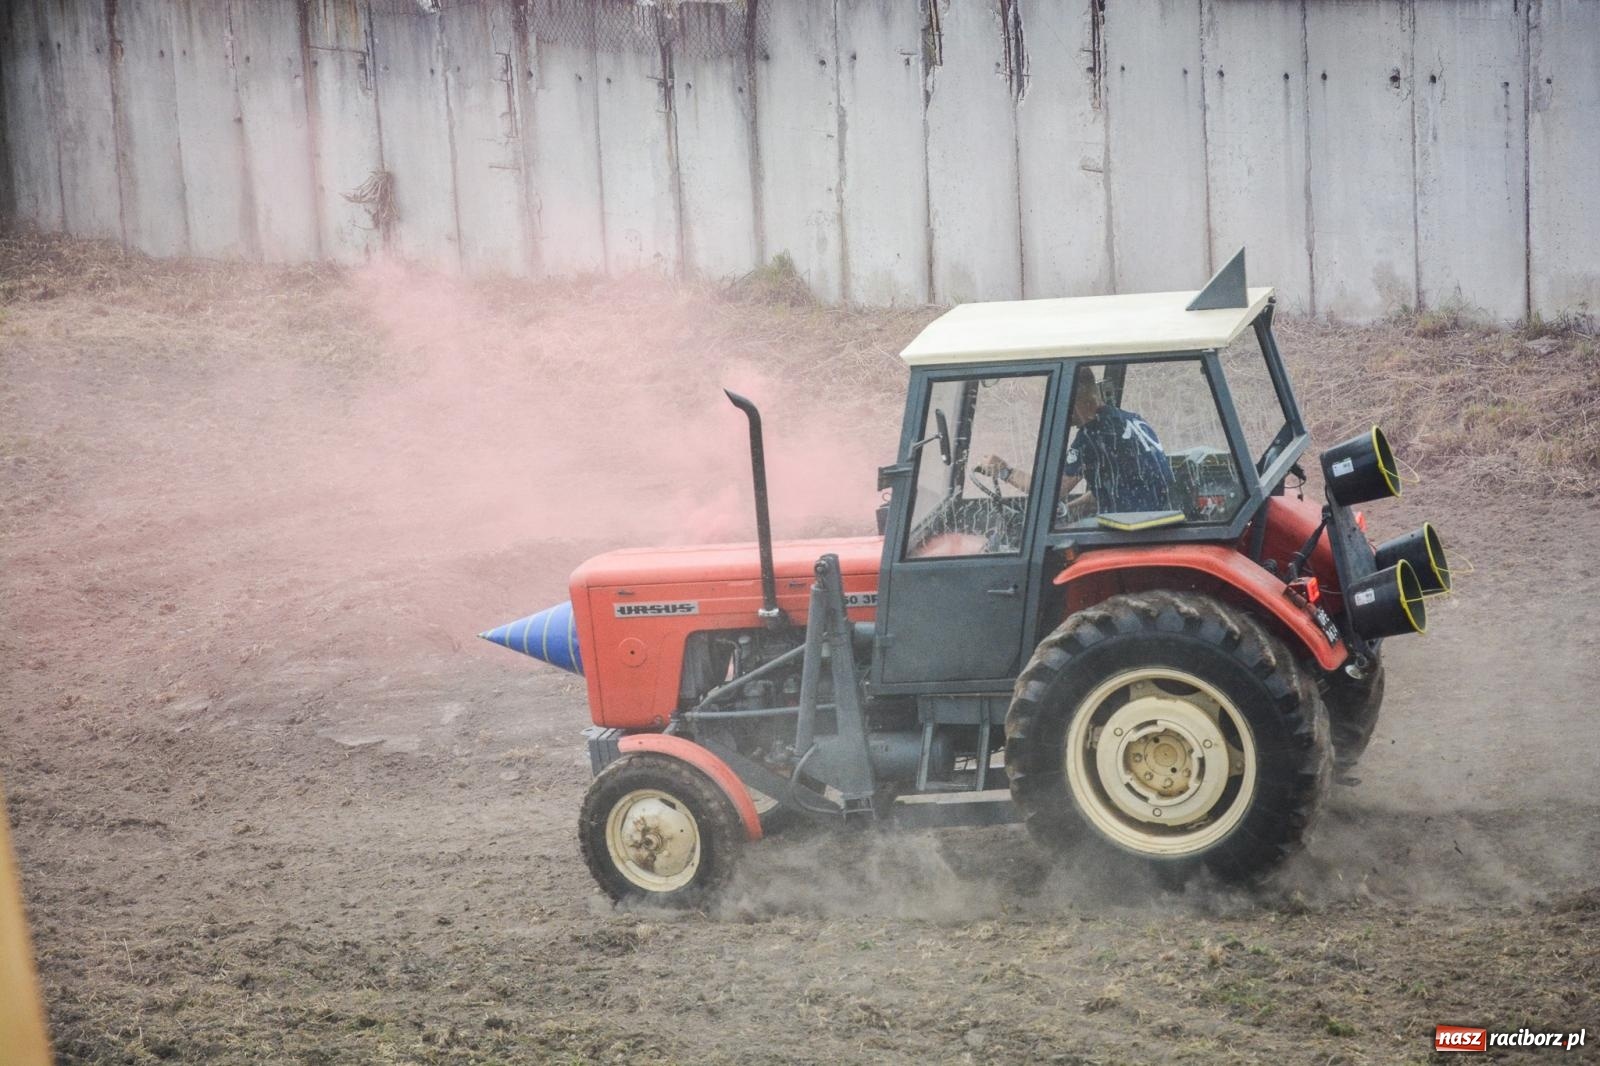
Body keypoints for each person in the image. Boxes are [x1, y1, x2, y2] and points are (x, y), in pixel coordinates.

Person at [979, 365, 1175, 519]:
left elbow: (1054, 491)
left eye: (1052, 401)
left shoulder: (1094, 435)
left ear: (1068, 399)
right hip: (1150, 520)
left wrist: (1004, 471)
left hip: (1134, 532)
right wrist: (1066, 514)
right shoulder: (1130, 420)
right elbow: (1111, 489)